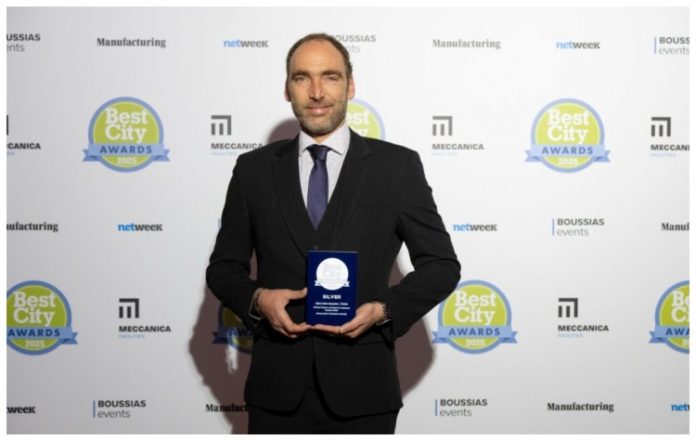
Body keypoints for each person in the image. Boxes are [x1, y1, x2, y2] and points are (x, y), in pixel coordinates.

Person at [206, 32, 460, 434]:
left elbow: (442, 266)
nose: (317, 92)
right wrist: (257, 299)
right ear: (287, 89)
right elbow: (223, 268)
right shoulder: (253, 170)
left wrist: (384, 311)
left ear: (350, 86)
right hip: (276, 392)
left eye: (330, 76)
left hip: (364, 391)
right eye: (302, 78)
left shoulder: (396, 168)